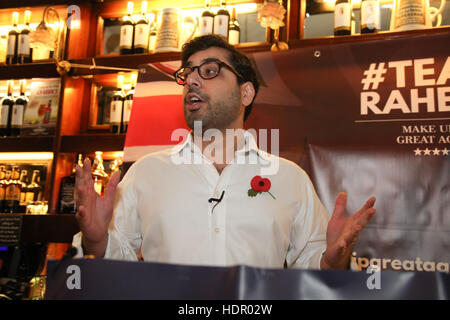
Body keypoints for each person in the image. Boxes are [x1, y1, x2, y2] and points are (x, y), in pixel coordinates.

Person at [73, 35, 376, 270]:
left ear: (246, 92)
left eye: (209, 71)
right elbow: (117, 263)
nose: (191, 80)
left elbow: (310, 265)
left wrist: (330, 261)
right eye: (187, 74)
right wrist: (97, 239)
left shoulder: (289, 178)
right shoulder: (146, 172)